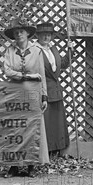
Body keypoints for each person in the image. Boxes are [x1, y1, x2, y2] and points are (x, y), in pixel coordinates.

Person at [3, 19, 49, 177]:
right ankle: (14, 165)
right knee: (15, 128)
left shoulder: (37, 51)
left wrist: (44, 97)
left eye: (21, 31)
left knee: (32, 127)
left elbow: (41, 74)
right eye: (15, 32)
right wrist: (27, 76)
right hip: (14, 94)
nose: (18, 34)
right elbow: (8, 71)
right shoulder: (10, 51)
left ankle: (31, 164)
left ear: (28, 33)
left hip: (33, 94)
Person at [35, 22, 71, 158]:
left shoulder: (53, 49)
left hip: (56, 90)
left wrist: (69, 51)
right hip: (43, 91)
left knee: (57, 121)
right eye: (43, 34)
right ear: (38, 36)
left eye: (49, 34)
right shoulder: (35, 50)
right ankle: (47, 151)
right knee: (46, 122)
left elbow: (62, 64)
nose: (46, 37)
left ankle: (57, 149)